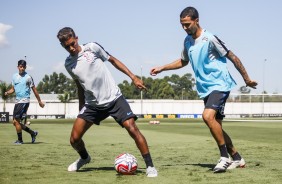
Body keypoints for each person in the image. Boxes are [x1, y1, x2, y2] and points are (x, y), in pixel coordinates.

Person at [150, 7, 258, 173]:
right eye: (182, 25)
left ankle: (224, 158)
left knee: (207, 116)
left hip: (220, 84)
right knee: (216, 126)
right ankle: (237, 157)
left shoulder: (210, 38)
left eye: (187, 24)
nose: (184, 28)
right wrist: (162, 68)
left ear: (196, 20)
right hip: (205, 88)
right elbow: (183, 61)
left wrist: (246, 79)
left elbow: (232, 56)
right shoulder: (187, 41)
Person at [57, 27, 158, 177]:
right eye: (67, 47)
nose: (71, 48)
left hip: (114, 98)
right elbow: (80, 86)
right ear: (62, 46)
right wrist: (81, 108)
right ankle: (84, 158)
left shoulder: (92, 47)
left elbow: (113, 60)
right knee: (74, 139)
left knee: (132, 128)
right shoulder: (68, 64)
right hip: (92, 105)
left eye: (72, 43)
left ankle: (150, 166)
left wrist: (133, 77)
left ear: (76, 38)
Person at [5, 60, 45, 144]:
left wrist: (39, 101)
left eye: (23, 67)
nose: (22, 68)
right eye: (20, 66)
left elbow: (34, 90)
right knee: (15, 123)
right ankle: (33, 133)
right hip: (17, 101)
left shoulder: (28, 77)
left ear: (25, 67)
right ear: (18, 67)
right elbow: (13, 89)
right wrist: (8, 92)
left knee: (16, 121)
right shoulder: (14, 76)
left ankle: (20, 140)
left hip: (24, 100)